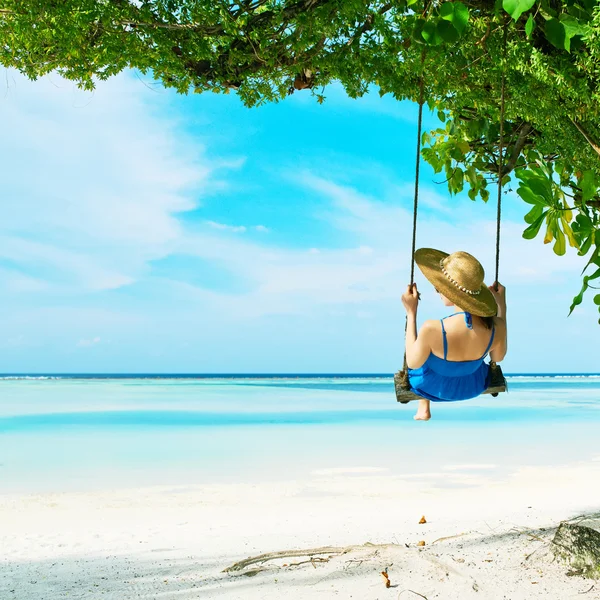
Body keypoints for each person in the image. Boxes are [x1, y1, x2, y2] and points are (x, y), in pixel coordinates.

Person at [401, 248, 507, 421]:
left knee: (423, 353)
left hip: (433, 386)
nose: (437, 290)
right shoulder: (496, 326)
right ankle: (424, 406)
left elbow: (412, 363)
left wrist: (411, 313)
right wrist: (502, 306)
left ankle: (423, 406)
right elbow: (498, 357)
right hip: (473, 385)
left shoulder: (433, 328)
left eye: (441, 286)